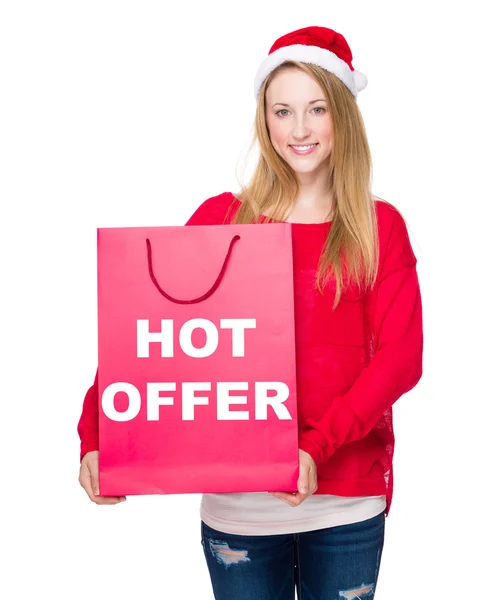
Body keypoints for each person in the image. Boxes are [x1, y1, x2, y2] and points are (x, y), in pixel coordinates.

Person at [78, 25, 423, 599]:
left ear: (342, 114)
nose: (300, 129)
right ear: (264, 120)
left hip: (342, 504)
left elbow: (400, 358)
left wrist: (315, 446)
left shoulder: (377, 226)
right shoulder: (223, 218)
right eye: (282, 111)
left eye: (316, 109)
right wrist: (98, 437)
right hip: (240, 510)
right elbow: (151, 336)